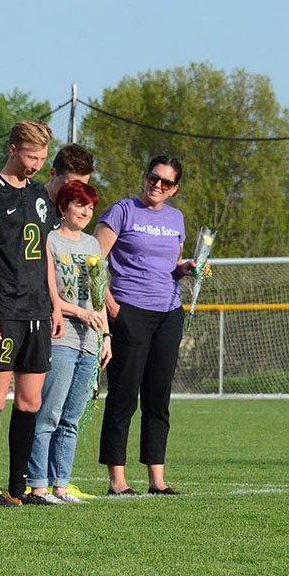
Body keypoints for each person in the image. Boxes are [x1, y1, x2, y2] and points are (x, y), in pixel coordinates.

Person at [0, 120, 64, 507]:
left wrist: (55, 304)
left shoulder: (42, 195)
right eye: (30, 156)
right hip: (4, 311)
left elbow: (44, 254)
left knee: (30, 402)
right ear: (12, 149)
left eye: (41, 158)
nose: (36, 164)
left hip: (39, 311)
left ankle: (18, 486)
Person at [95, 155, 194, 496]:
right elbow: (93, 262)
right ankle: (117, 481)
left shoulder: (176, 218)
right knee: (124, 396)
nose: (158, 185)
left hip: (169, 312)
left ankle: (157, 479)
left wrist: (188, 268)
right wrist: (112, 307)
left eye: (167, 182)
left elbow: (173, 265)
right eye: (154, 177)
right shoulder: (121, 211)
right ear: (145, 176)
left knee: (158, 398)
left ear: (175, 189)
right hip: (130, 311)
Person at [27, 180, 111, 504]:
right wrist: (79, 311)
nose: (86, 212)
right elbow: (46, 295)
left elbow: (99, 295)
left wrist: (106, 336)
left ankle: (61, 486)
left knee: (71, 419)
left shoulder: (93, 245)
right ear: (63, 207)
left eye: (90, 206)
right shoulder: (49, 241)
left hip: (90, 339)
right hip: (61, 337)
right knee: (49, 413)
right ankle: (38, 485)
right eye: (80, 205)